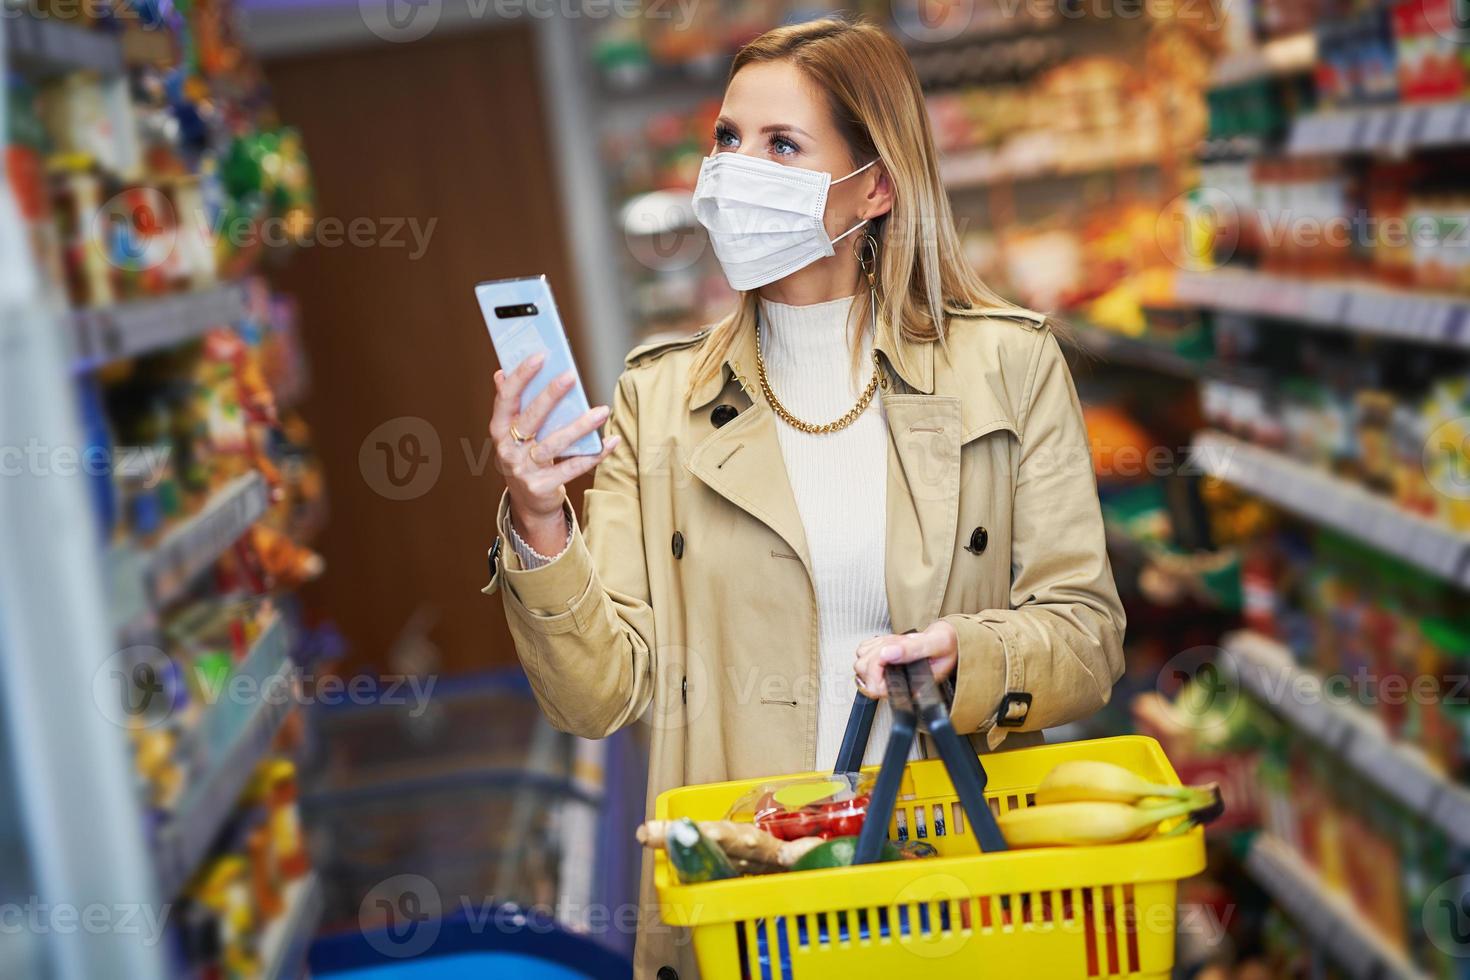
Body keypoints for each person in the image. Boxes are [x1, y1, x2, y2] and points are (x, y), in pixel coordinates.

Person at [482, 16, 1124, 978]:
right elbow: (596, 696)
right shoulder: (661, 399)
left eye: (782, 145)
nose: (737, 172)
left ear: (875, 186)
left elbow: (1085, 636)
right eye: (727, 141)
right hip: (752, 908)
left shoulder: (1008, 366)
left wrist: (970, 656)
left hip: (951, 892)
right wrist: (539, 524)